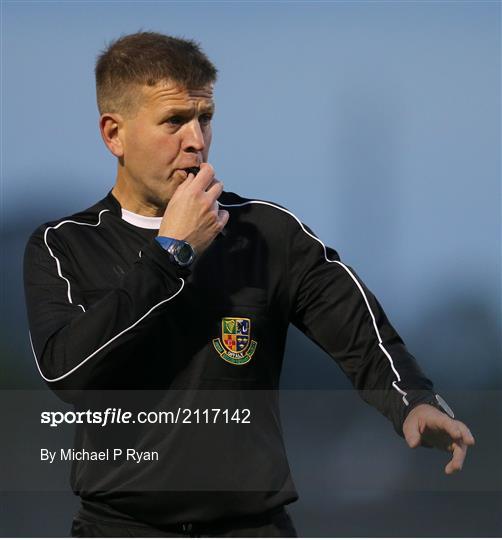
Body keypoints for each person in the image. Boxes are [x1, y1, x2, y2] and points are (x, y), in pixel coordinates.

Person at [23, 31, 475, 538]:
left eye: (205, 118)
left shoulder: (267, 232)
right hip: (121, 527)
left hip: (252, 528)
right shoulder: (63, 245)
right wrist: (171, 253)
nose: (195, 139)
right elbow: (67, 371)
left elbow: (360, 331)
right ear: (114, 135)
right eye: (174, 121)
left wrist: (413, 399)